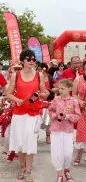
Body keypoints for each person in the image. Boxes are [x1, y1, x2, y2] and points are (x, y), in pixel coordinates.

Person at [6, 50, 49, 181]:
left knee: (30, 140)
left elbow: (45, 92)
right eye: (29, 59)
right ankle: (22, 167)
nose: (32, 61)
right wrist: (17, 100)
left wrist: (43, 95)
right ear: (23, 61)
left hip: (33, 113)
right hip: (19, 113)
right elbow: (8, 94)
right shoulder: (16, 75)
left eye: (33, 59)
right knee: (19, 142)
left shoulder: (39, 75)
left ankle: (28, 171)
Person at [49, 79, 81, 182]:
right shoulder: (56, 99)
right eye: (59, 88)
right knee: (56, 152)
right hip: (56, 129)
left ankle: (67, 170)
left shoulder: (74, 101)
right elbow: (50, 110)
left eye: (63, 88)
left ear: (70, 88)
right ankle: (59, 174)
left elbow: (78, 116)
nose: (60, 90)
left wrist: (67, 116)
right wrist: (55, 116)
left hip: (68, 129)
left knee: (68, 152)